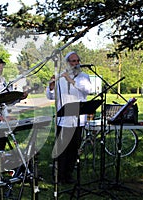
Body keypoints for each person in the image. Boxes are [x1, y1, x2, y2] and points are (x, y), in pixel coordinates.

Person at [46, 51, 92, 183]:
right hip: (63, 120)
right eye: (73, 61)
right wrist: (51, 86)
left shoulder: (83, 77)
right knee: (62, 149)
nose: (76, 63)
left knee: (73, 149)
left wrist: (70, 80)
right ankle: (59, 176)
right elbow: (50, 97)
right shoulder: (60, 77)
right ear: (67, 63)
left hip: (78, 120)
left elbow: (87, 90)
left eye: (77, 61)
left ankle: (69, 175)